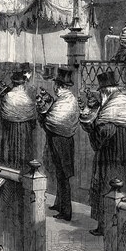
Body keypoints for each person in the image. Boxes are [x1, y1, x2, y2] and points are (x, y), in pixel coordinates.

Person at [79, 71, 126, 236]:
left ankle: (105, 228)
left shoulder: (110, 109)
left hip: (110, 157)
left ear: (105, 91)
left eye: (101, 91)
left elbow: (101, 137)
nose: (100, 94)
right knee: (122, 191)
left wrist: (89, 127)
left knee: (107, 189)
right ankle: (121, 226)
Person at [38, 67, 79, 221]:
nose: (54, 87)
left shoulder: (66, 101)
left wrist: (43, 114)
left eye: (56, 84)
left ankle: (66, 211)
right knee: (59, 173)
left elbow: (53, 121)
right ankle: (59, 203)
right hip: (61, 140)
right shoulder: (65, 99)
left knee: (63, 176)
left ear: (59, 86)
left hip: (62, 141)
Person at [0, 71, 37, 170]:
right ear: (23, 83)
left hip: (11, 129)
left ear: (13, 83)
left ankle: (13, 169)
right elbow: (33, 118)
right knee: (24, 151)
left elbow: (4, 116)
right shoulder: (27, 98)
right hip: (25, 129)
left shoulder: (8, 96)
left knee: (12, 150)